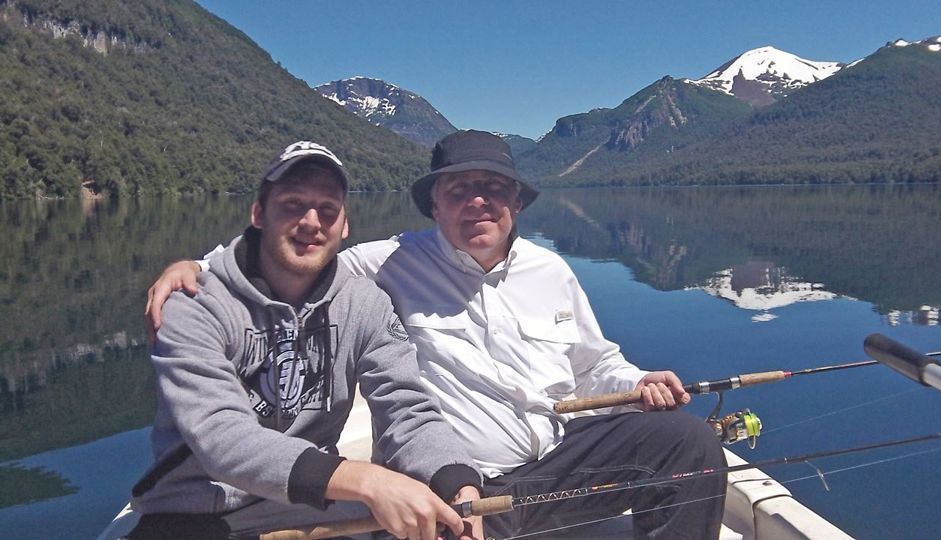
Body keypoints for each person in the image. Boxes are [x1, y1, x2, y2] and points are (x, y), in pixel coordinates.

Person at [148, 131, 727, 539]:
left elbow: (410, 409)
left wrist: (637, 381)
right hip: (233, 507)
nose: (478, 200)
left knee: (687, 442)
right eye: (458, 189)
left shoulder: (550, 271)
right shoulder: (377, 268)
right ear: (434, 207)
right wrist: (195, 265)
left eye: (494, 188)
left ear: (517, 201)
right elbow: (283, 264)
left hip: (533, 470)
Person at [130, 141, 483, 540]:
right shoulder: (195, 304)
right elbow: (219, 434)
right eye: (294, 204)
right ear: (259, 213)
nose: (312, 222)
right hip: (198, 512)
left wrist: (458, 483)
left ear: (345, 226)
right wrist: (366, 480)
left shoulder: (364, 304)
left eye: (328, 209)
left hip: (316, 502)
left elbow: (406, 408)